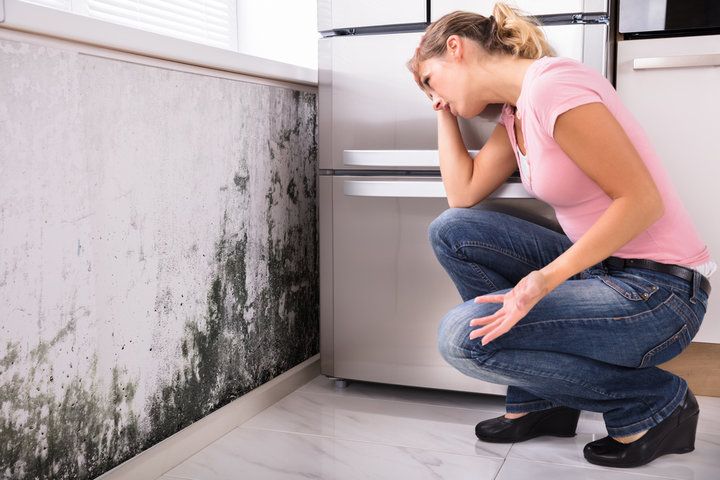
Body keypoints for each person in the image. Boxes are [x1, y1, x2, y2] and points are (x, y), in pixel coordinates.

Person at [406, 2, 716, 469]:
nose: (436, 96)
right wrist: (444, 112)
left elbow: (642, 201)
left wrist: (541, 281)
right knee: (454, 231)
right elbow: (462, 194)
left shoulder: (555, 86)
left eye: (431, 81)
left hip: (661, 292)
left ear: (456, 49)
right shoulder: (516, 113)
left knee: (462, 338)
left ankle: (654, 403)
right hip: (603, 271)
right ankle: (541, 403)